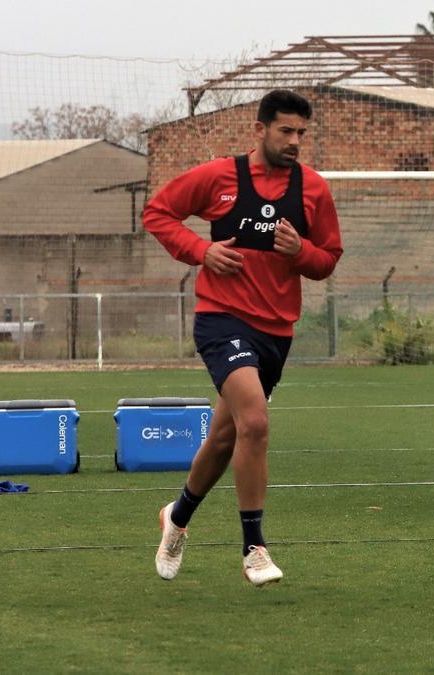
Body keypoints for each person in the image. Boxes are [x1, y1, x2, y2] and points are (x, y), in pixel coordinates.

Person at [143, 90, 343, 586]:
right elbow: (158, 213)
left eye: (301, 133)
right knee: (255, 419)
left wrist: (301, 252)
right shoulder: (219, 177)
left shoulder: (313, 189)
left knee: (226, 437)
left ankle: (178, 516)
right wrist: (200, 251)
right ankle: (254, 548)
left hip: (276, 331)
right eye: (285, 131)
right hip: (222, 319)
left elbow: (328, 260)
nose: (295, 141)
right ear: (259, 129)